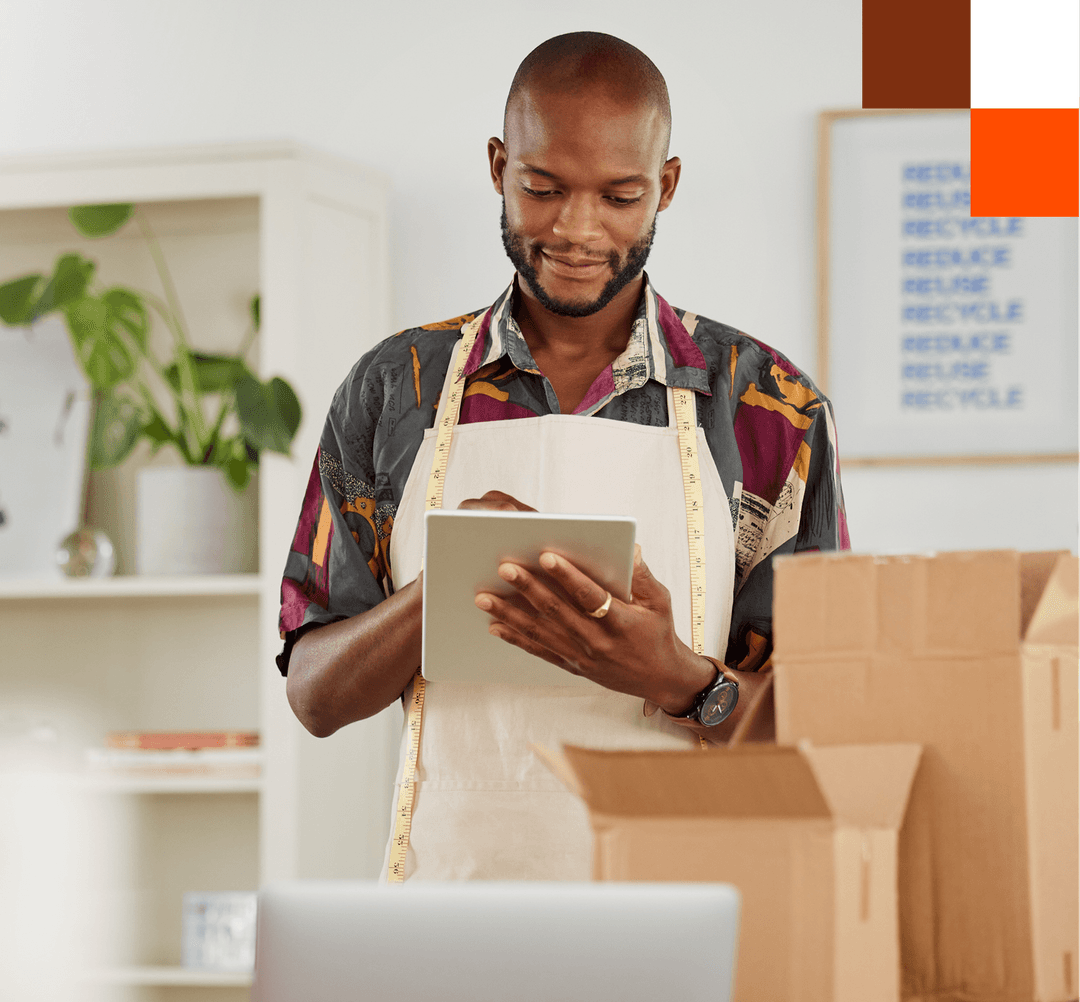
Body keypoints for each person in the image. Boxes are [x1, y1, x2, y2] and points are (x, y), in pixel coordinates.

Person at [279, 31, 848, 882]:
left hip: (682, 928)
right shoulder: (393, 389)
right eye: (542, 188)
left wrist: (680, 678)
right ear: (499, 166)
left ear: (666, 187)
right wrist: (444, 591)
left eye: (620, 197)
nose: (577, 230)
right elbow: (315, 696)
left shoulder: (770, 408)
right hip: (450, 920)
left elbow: (822, 742)